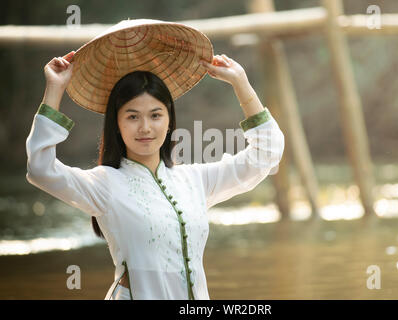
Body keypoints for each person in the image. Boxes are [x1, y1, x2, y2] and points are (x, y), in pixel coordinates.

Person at [26, 50, 285, 300]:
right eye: (132, 116)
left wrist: (240, 82)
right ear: (116, 124)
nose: (145, 127)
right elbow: (41, 169)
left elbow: (267, 154)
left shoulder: (193, 181)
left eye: (155, 115)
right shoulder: (105, 184)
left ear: (169, 120)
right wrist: (55, 89)